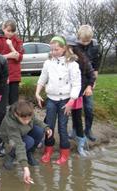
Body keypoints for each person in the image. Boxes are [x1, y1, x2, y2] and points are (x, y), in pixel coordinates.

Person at [35, 36, 81, 164]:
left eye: (56, 49)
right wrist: (37, 92)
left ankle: (64, 153)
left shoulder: (72, 64)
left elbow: (77, 84)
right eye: (52, 49)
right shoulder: (48, 62)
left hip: (65, 101)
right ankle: (48, 151)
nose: (53, 52)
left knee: (62, 127)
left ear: (64, 48)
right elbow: (42, 78)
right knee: (48, 126)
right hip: (51, 99)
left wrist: (71, 102)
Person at [0, 100, 52, 183]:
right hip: (10, 137)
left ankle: (29, 153)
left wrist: (46, 128)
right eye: (24, 120)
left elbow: (35, 121)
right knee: (29, 141)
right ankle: (11, 156)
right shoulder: (11, 123)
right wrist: (25, 168)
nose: (27, 121)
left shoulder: (28, 112)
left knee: (39, 131)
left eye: (29, 119)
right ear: (16, 115)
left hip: (23, 130)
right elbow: (19, 144)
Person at [66, 36, 96, 156]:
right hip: (63, 93)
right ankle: (44, 139)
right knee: (54, 116)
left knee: (77, 116)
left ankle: (81, 142)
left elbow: (91, 75)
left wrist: (89, 86)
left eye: (67, 47)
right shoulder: (61, 59)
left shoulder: (82, 59)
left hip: (78, 92)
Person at [0, 19, 23, 105]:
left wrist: (11, 46)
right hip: (1, 76)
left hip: (14, 76)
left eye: (12, 31)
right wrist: (8, 56)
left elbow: (19, 57)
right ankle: (2, 118)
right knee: (2, 102)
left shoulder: (18, 41)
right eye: (8, 31)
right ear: (3, 29)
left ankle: (13, 118)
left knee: (14, 102)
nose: (10, 33)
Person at [77, 25, 100, 142]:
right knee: (76, 108)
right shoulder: (74, 46)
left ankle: (88, 130)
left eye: (88, 41)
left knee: (89, 108)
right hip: (76, 81)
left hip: (89, 81)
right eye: (83, 41)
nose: (85, 43)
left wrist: (92, 84)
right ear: (78, 37)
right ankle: (76, 130)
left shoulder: (95, 47)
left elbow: (96, 67)